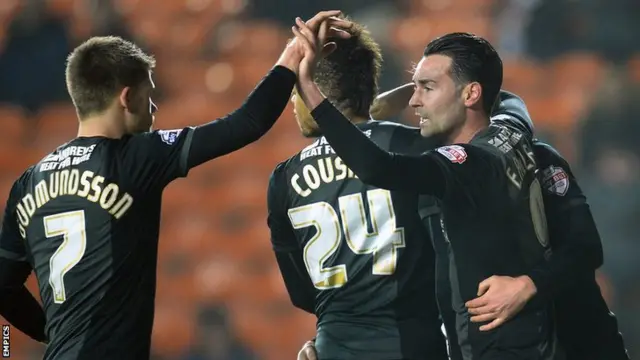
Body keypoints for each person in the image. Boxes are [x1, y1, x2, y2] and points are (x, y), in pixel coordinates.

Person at [0, 12, 351, 359]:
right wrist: (292, 55)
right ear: (126, 98)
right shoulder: (137, 157)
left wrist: (54, 334)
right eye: (148, 95)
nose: (153, 107)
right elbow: (247, 123)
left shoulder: (27, 183)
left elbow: (4, 288)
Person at [291, 25, 561, 360]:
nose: (417, 101)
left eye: (429, 89)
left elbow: (307, 294)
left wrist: (323, 98)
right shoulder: (442, 143)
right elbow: (505, 102)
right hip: (449, 340)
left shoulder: (283, 177)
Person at [267, 18, 448, 360]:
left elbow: (303, 295)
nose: (293, 103)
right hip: (417, 343)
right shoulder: (415, 147)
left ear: (312, 91)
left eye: (296, 91)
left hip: (333, 348)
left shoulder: (283, 178)